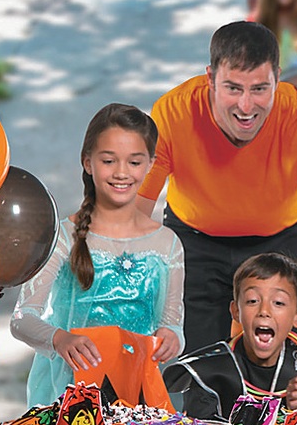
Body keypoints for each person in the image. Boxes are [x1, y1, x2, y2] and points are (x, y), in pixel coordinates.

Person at [136, 20, 297, 353]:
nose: (246, 106)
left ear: (277, 79)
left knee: (283, 360)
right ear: (210, 79)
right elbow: (135, 208)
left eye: (259, 89)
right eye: (233, 88)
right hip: (195, 242)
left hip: (280, 242)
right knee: (201, 362)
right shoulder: (173, 113)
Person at [11, 103, 185, 408]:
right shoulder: (63, 238)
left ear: (150, 164)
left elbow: (173, 325)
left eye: (134, 162)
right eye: (108, 161)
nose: (121, 173)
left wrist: (172, 338)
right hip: (70, 399)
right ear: (88, 162)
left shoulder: (167, 245)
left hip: (137, 402)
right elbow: (21, 318)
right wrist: (60, 339)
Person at [163, 252, 297, 419]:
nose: (264, 311)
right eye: (252, 301)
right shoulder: (207, 372)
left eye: (278, 302)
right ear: (236, 311)